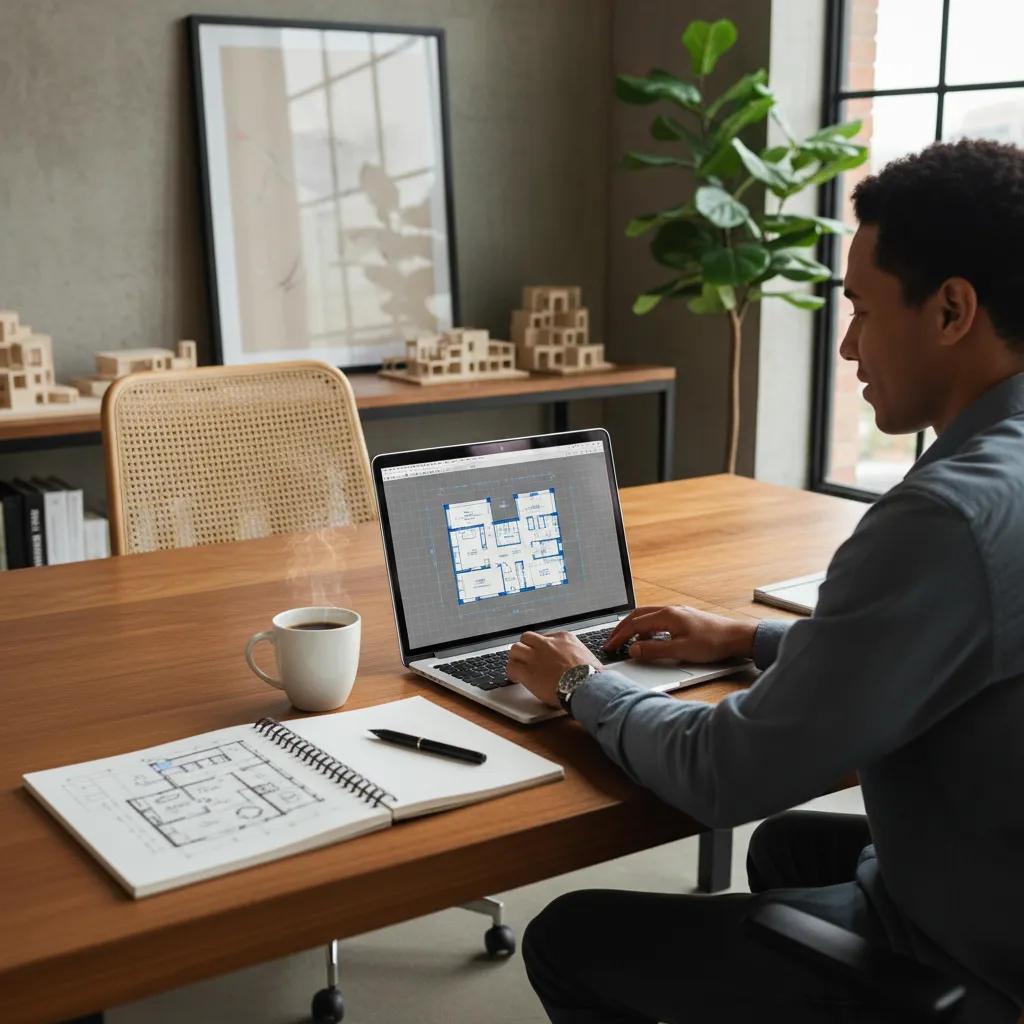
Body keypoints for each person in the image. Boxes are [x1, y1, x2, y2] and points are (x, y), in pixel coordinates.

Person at [506, 138, 1024, 1024]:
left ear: (951, 310)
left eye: (861, 309)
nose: (850, 344)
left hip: (977, 962)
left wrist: (584, 684)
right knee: (789, 849)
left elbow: (722, 773)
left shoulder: (942, 519)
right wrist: (750, 637)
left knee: (568, 936)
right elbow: (958, 647)